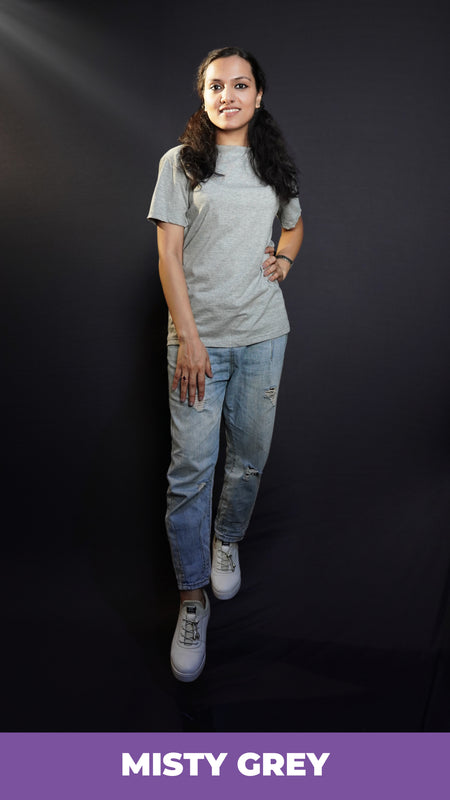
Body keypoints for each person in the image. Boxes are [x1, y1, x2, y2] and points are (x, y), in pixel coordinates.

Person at [148, 46, 304, 682]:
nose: (227, 96)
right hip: (197, 343)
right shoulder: (181, 163)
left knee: (249, 457)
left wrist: (284, 259)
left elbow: (293, 226)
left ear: (258, 96)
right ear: (203, 95)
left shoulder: (273, 165)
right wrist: (189, 338)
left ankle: (227, 539)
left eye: (240, 85)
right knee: (191, 472)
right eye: (216, 86)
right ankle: (193, 599)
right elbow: (168, 254)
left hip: (264, 335)